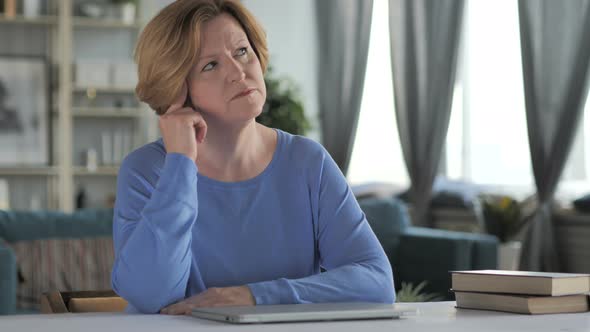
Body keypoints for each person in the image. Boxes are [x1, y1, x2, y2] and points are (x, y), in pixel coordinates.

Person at [111, 0, 395, 315]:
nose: (237, 72)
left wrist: (256, 296)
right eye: (210, 65)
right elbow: (151, 294)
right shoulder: (147, 170)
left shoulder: (306, 161)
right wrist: (180, 162)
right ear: (176, 89)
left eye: (242, 52)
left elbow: (377, 282)